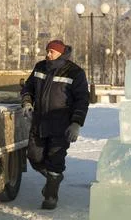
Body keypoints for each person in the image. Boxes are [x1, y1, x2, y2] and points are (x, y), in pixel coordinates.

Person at [21, 39, 89, 210]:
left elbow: (82, 100)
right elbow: (28, 87)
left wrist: (76, 123)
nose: (47, 54)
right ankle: (54, 178)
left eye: (51, 51)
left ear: (61, 53)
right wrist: (27, 102)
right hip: (39, 122)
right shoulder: (40, 66)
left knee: (55, 160)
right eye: (47, 51)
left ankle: (51, 196)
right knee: (33, 156)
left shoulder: (75, 72)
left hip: (61, 125)